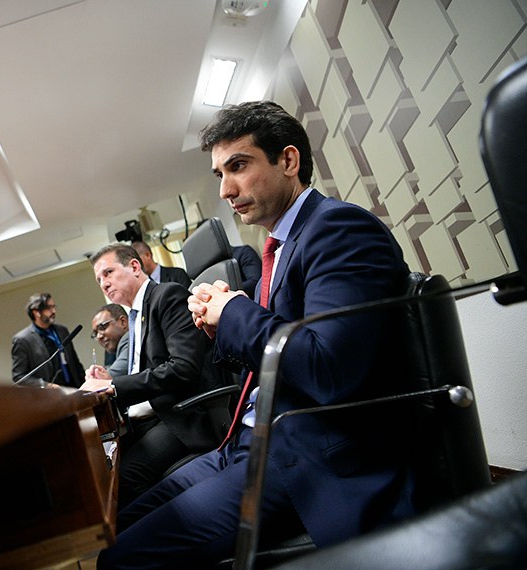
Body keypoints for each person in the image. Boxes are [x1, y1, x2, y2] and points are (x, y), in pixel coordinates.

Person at [96, 101, 417, 568]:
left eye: (239, 166)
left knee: (120, 560)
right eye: (219, 174)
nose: (226, 189)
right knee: (113, 528)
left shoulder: (338, 228)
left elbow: (330, 369)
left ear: (288, 161)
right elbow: (268, 356)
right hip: (241, 446)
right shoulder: (281, 247)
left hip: (298, 455)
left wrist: (237, 314)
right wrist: (221, 322)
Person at [80, 244, 225, 509]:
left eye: (109, 272)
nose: (104, 283)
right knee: (100, 468)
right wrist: (107, 378)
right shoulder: (135, 315)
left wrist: (114, 386)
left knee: (123, 479)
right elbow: (146, 369)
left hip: (179, 415)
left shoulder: (166, 296)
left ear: (135, 267)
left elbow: (182, 368)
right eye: (99, 279)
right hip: (152, 417)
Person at [11, 292, 85, 388]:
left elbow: (75, 361)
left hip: (74, 388)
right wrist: (46, 385)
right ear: (36, 312)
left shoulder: (62, 330)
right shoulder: (22, 340)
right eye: (49, 308)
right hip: (49, 396)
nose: (54, 311)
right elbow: (19, 377)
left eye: (54, 307)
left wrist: (85, 383)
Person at [91, 303, 130, 377]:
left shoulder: (130, 339)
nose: (99, 336)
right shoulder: (112, 350)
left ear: (123, 322)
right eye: (95, 333)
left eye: (102, 327)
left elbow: (109, 377)